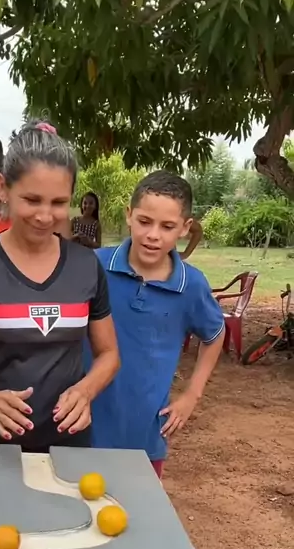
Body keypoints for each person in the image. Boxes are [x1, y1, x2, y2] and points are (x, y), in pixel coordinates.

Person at [0, 120, 120, 451]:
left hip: (67, 442)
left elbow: (108, 354)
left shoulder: (86, 266)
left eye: (58, 202)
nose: (44, 215)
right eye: (32, 200)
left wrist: (86, 390)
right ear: (3, 188)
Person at [89, 170, 225, 479]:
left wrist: (192, 395)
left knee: (138, 506)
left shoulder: (191, 285)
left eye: (167, 226)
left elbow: (214, 335)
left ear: (185, 228)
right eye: (144, 221)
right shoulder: (94, 266)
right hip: (82, 427)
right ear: (129, 215)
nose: (153, 235)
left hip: (144, 435)